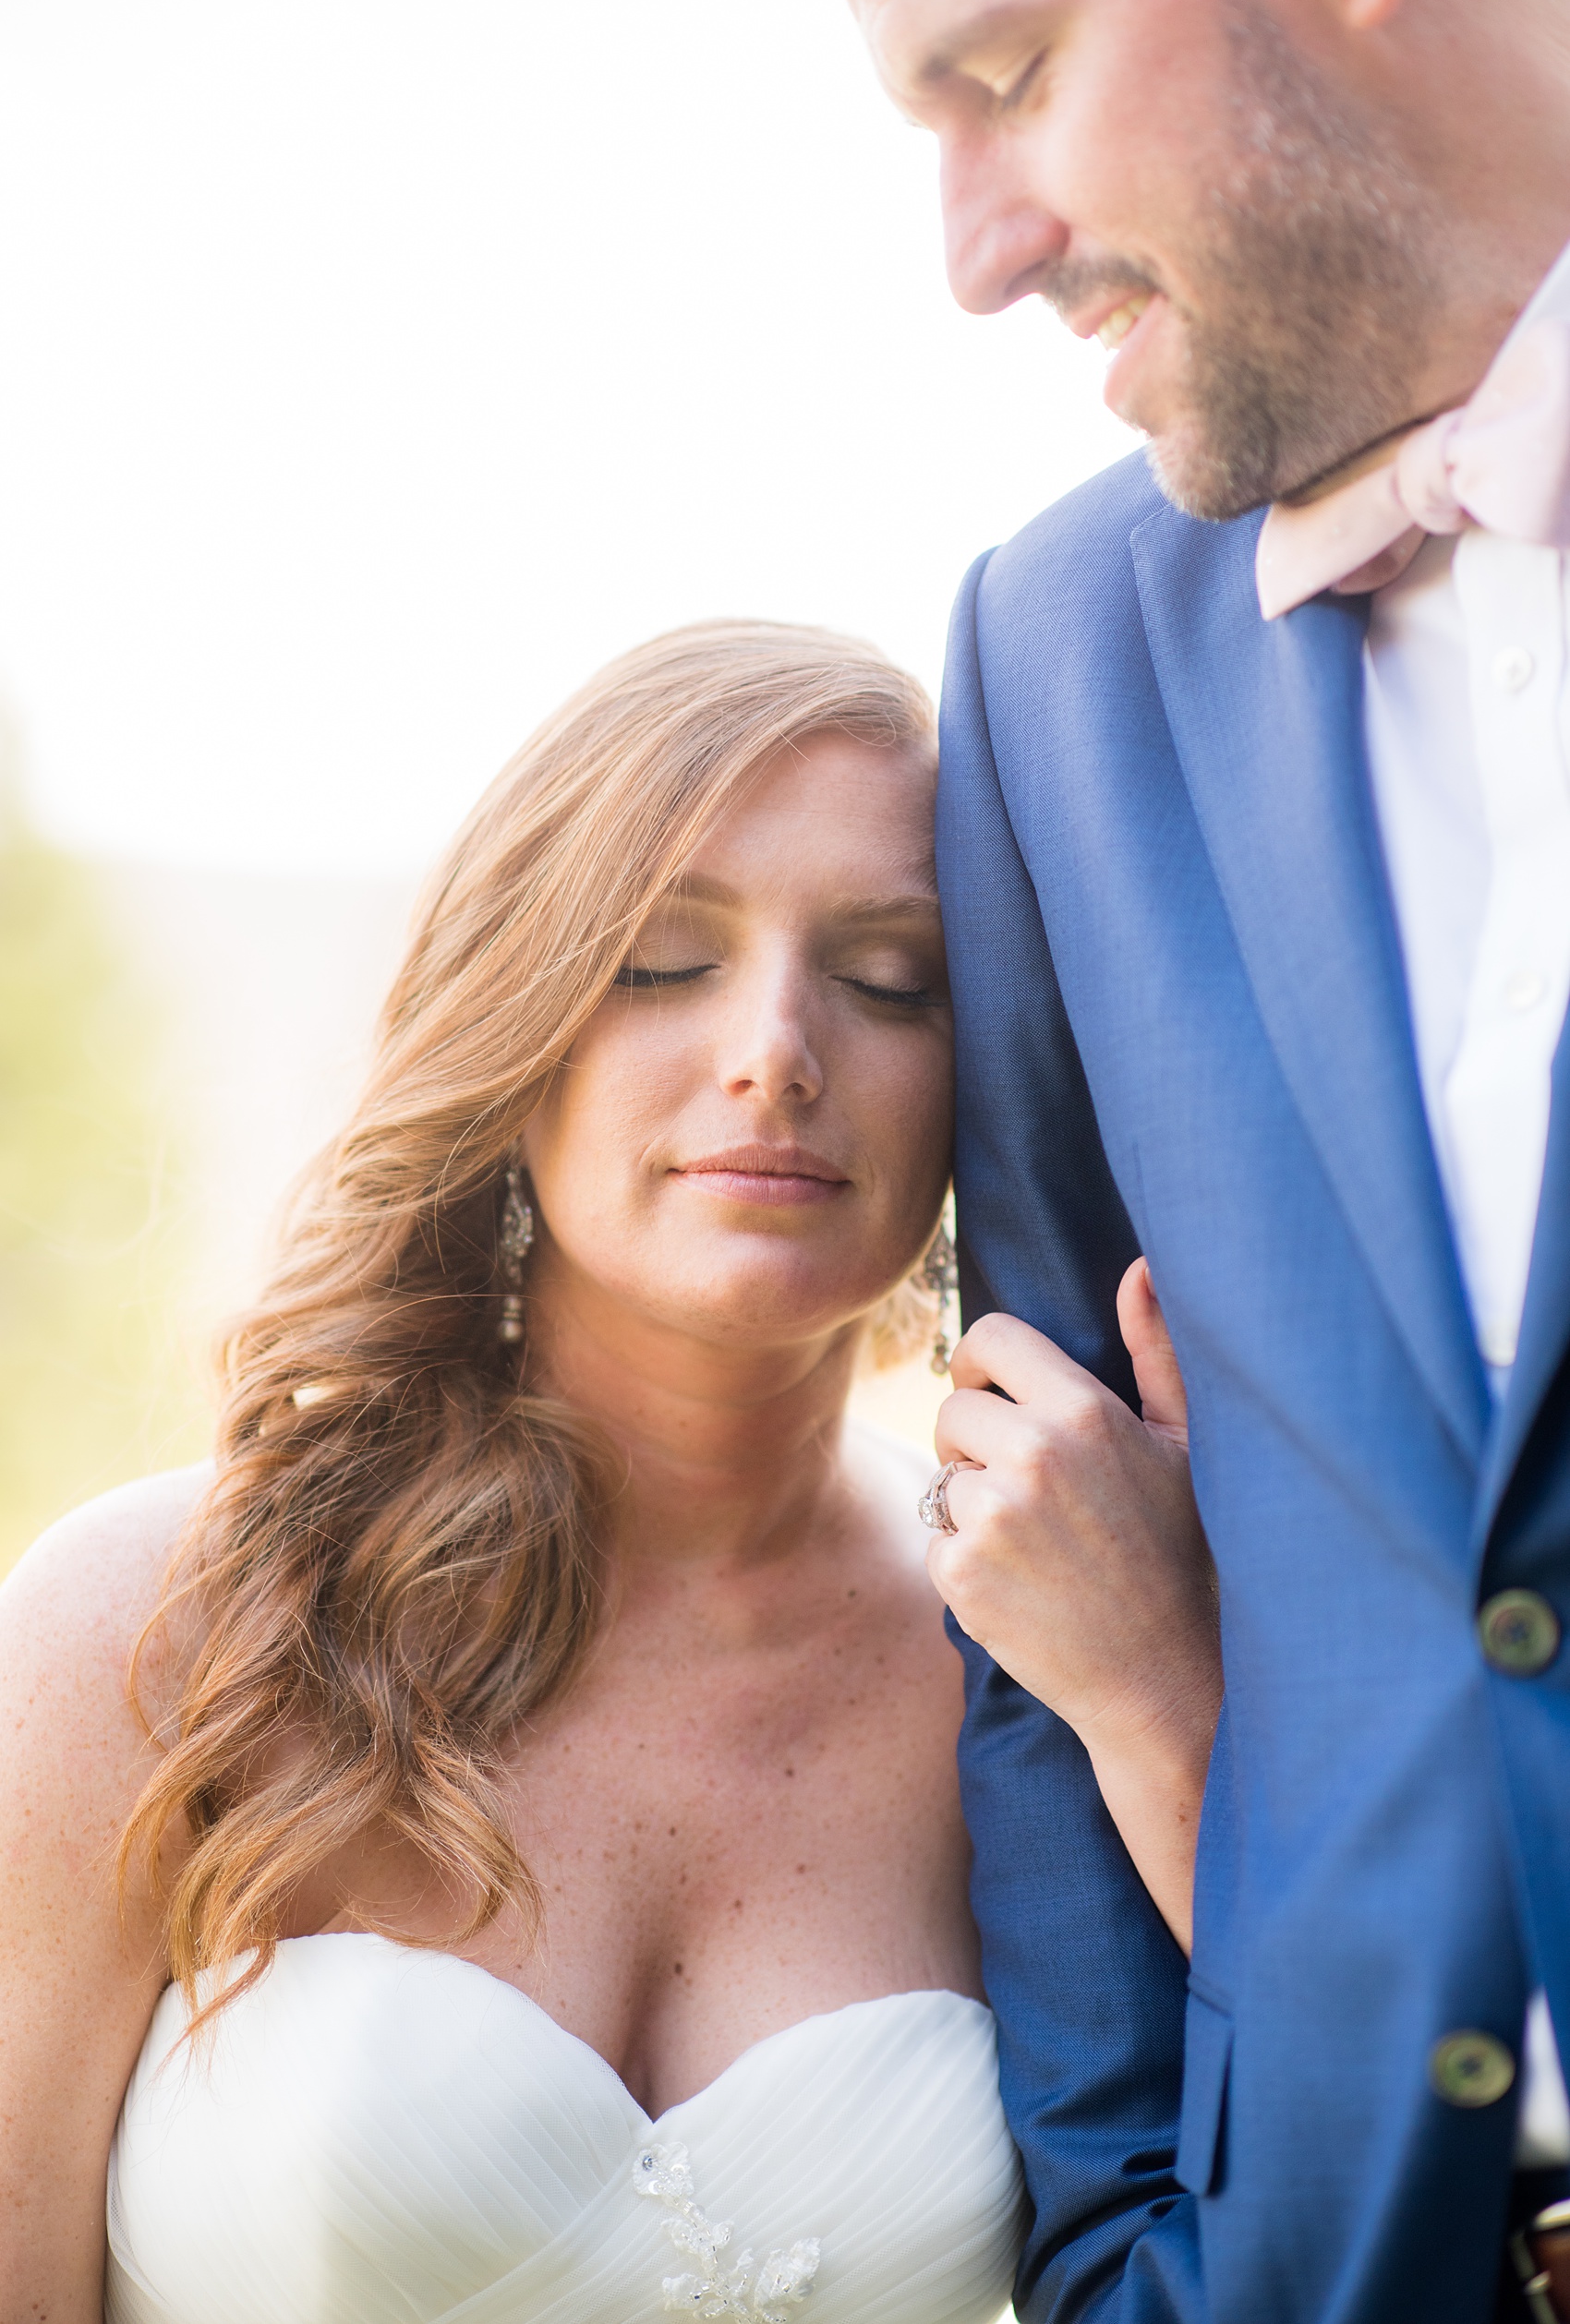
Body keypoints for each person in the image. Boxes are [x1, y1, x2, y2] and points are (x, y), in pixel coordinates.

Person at [0, 620, 1216, 2323]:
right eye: (662, 959)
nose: (777, 1049)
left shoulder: (1043, 1644)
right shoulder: (139, 1635)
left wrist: (1169, 1704)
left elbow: (1340, 2191)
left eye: (890, 980)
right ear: (523, 1030)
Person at [841, 0, 1570, 2318]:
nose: (973, 244)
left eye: (1013, 68)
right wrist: (1140, 2251)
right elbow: (1017, 1491)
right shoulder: (1057, 656)